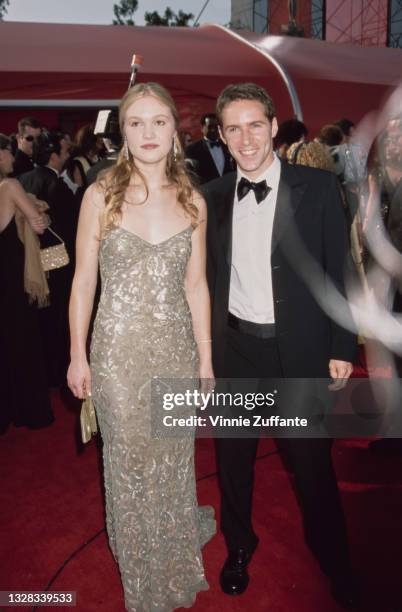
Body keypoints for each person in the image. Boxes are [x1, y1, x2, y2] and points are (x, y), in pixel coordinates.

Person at [203, 83, 358, 608]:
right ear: (221, 136)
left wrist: (342, 343)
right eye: (233, 128)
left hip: (300, 353)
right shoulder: (213, 196)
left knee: (313, 466)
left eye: (254, 125)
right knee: (235, 462)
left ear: (273, 126)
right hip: (238, 352)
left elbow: (341, 269)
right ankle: (240, 545)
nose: (245, 139)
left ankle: (336, 560)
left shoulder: (317, 187)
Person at [67, 82, 216, 611]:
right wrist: (77, 354)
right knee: (128, 465)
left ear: (175, 130)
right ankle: (142, 580)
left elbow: (196, 286)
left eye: (159, 121)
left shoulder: (194, 199)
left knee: (174, 461)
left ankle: (174, 559)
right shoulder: (99, 194)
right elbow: (83, 281)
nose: (148, 133)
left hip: (175, 349)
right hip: (117, 355)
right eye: (136, 122)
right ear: (122, 133)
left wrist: (205, 361)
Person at [0, 134, 53, 433]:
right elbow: (39, 224)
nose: (13, 156)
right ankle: (30, 411)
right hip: (13, 278)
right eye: (8, 152)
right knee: (22, 341)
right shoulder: (9, 187)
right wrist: (34, 214)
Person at [185, 112, 233, 184]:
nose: (213, 130)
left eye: (216, 127)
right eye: (210, 127)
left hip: (229, 190)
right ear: (202, 128)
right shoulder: (192, 150)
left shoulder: (229, 146)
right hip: (206, 191)